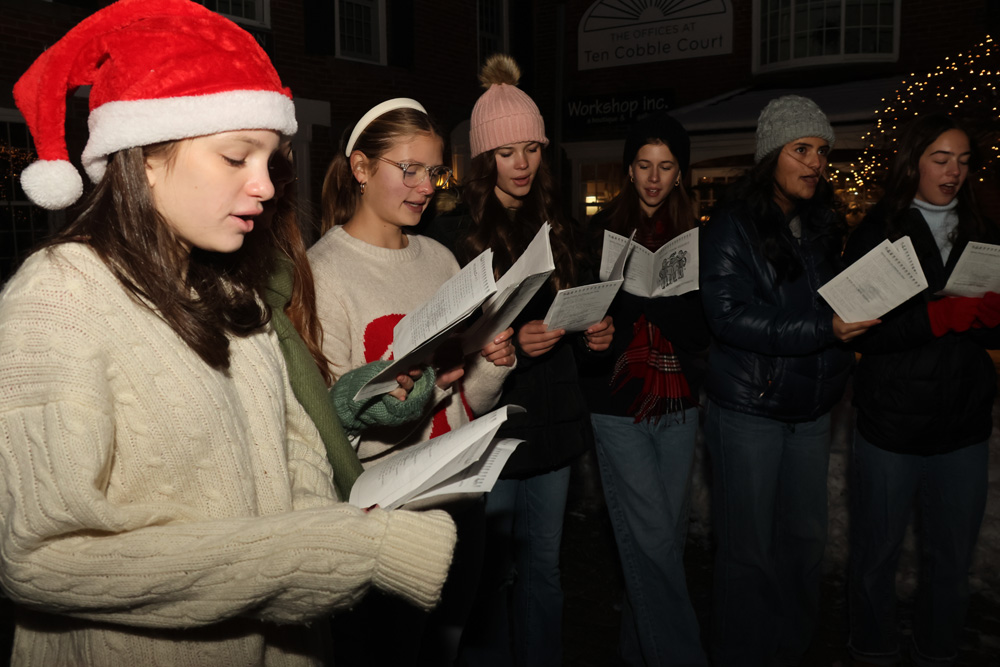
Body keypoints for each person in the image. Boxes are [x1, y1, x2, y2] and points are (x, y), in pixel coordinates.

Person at [0, 2, 457, 665]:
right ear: (146, 157)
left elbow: (297, 459)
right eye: (236, 156)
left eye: (271, 159)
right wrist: (359, 549)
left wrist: (332, 544)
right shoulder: (59, 297)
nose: (266, 186)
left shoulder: (233, 293)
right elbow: (40, 553)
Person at [307, 97, 515, 666]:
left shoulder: (440, 258)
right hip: (386, 514)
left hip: (460, 492)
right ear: (360, 169)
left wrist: (490, 365)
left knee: (443, 648)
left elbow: (460, 397)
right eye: (409, 170)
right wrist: (409, 397)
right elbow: (330, 430)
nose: (425, 187)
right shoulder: (324, 273)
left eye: (433, 171)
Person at [426, 53, 614, 667]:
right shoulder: (459, 239)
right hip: (494, 433)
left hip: (555, 426)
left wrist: (593, 335)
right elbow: (447, 349)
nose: (524, 164)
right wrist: (506, 347)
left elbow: (573, 324)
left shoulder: (559, 226)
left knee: (545, 572)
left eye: (533, 148)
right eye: (509, 153)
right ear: (485, 160)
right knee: (487, 578)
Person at [699, 95, 877, 666]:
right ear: (770, 154)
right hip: (749, 407)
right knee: (748, 553)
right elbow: (728, 317)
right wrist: (825, 326)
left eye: (822, 151)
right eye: (801, 149)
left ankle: (791, 649)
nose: (815, 162)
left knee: (803, 545)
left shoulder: (824, 223)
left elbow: (833, 301)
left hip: (811, 408)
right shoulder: (731, 224)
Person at [844, 113, 1000, 667]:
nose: (953, 171)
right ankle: (873, 648)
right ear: (913, 162)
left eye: (962, 161)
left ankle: (937, 652)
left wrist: (988, 317)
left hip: (962, 424)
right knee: (875, 556)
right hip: (892, 423)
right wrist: (939, 318)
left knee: (951, 561)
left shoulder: (983, 231)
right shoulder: (878, 231)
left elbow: (988, 325)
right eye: (941, 159)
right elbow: (862, 328)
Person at [579, 112, 709, 666]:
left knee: (666, 543)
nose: (654, 178)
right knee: (652, 543)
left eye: (666, 166)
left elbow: (703, 333)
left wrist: (666, 302)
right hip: (617, 404)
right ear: (628, 171)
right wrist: (601, 329)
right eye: (643, 165)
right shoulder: (597, 234)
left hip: (679, 402)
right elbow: (586, 325)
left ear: (679, 173)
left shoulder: (698, 236)